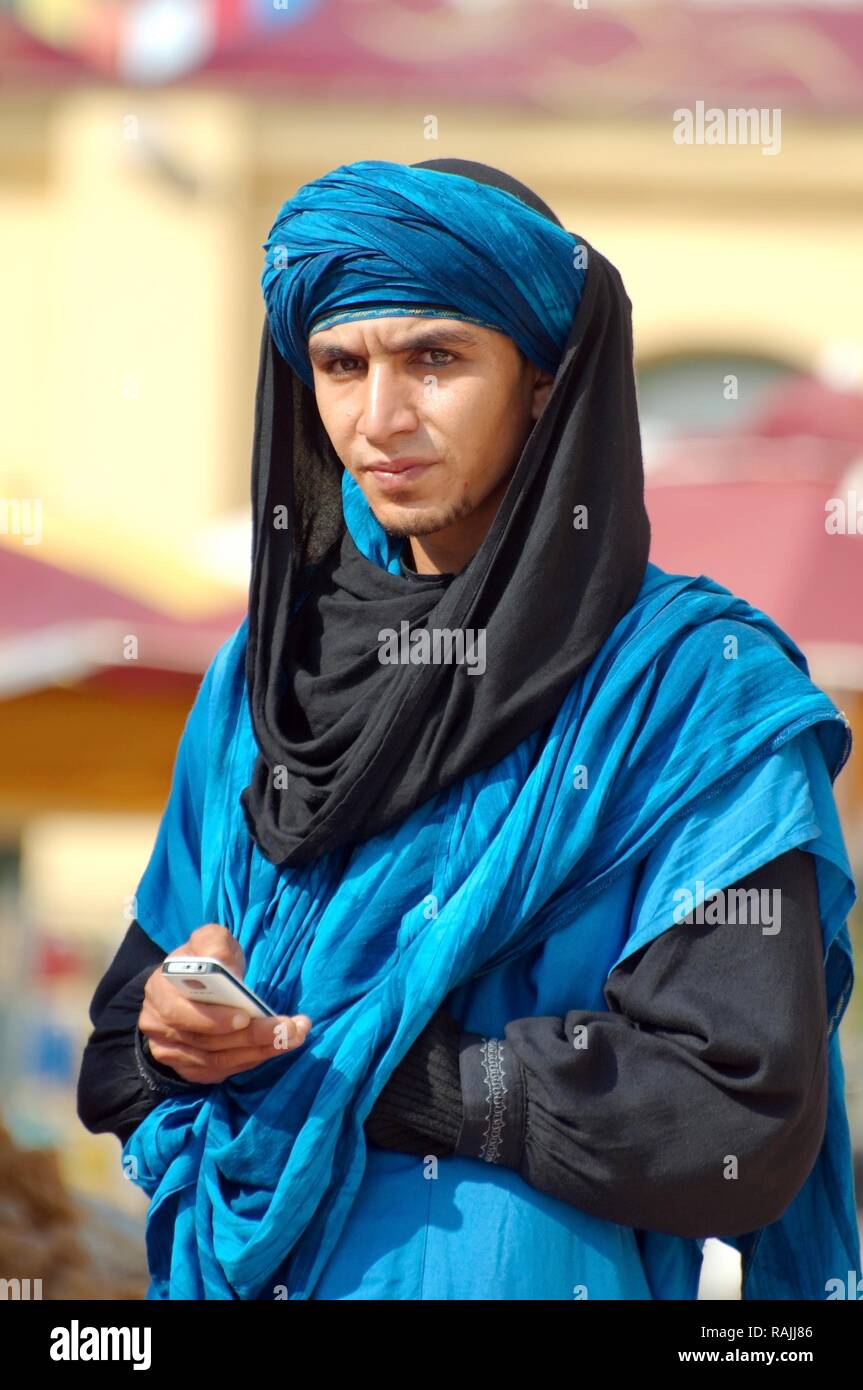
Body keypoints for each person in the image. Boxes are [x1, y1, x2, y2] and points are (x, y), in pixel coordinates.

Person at [77, 158, 859, 1301]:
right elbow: (118, 1052)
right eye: (340, 365)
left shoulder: (689, 688)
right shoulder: (266, 676)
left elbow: (730, 1111)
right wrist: (176, 1032)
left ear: (545, 379)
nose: (378, 418)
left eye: (434, 359)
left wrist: (371, 1071)